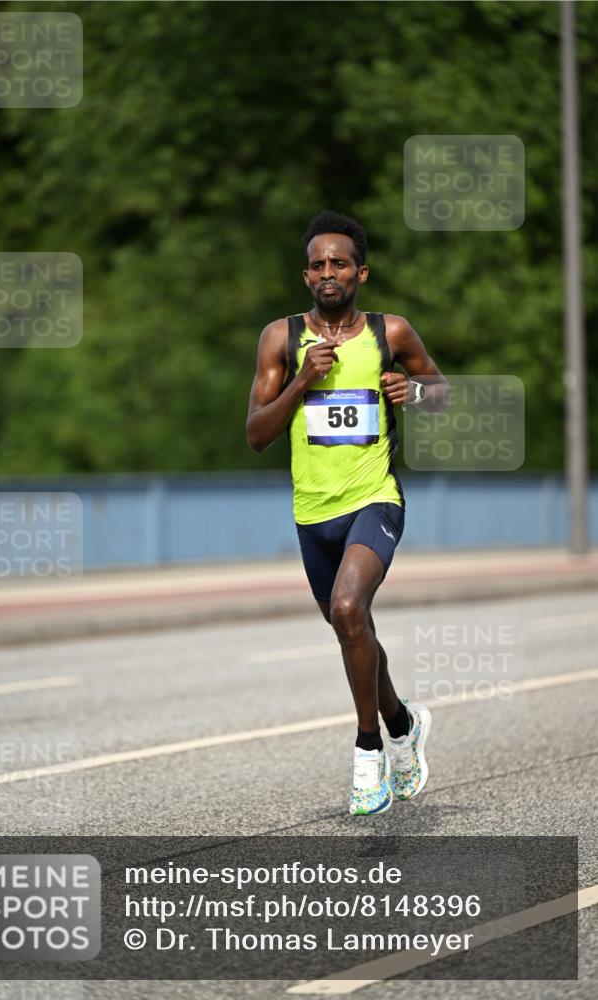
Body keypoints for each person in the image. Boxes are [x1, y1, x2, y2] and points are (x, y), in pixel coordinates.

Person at [246, 209, 449, 815]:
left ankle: (369, 756)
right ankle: (403, 723)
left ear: (361, 271)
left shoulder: (393, 332)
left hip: (374, 498)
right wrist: (301, 382)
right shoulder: (281, 339)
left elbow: (440, 391)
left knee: (347, 608)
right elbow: (257, 433)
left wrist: (414, 392)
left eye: (339, 263)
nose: (328, 272)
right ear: (305, 277)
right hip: (312, 512)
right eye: (317, 265)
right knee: (353, 629)